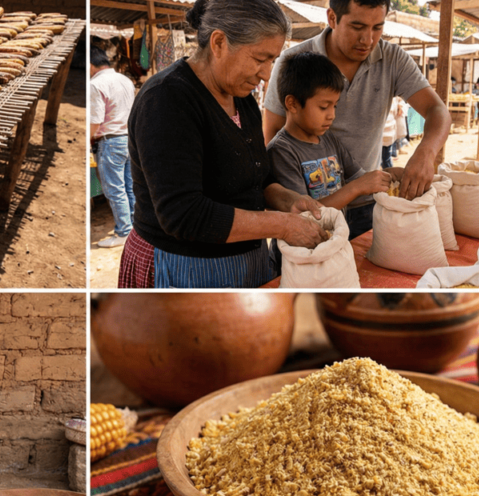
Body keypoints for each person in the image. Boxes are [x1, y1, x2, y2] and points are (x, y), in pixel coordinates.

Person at [118, 0, 326, 288]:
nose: (266, 74)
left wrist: (288, 200)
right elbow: (184, 214)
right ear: (218, 43)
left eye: (272, 61)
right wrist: (282, 225)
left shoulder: (242, 99)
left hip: (246, 261)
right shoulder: (167, 99)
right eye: (260, 59)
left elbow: (256, 176)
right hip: (184, 267)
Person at [263, 0, 451, 238]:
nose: (368, 40)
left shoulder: (393, 58)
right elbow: (273, 137)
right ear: (332, 18)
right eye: (357, 27)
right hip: (309, 223)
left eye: (377, 27)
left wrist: (425, 153)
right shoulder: (293, 62)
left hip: (368, 205)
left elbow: (437, 110)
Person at [267, 52, 398, 210]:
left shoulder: (328, 139)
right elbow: (305, 212)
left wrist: (390, 175)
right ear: (292, 104)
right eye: (324, 107)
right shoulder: (282, 151)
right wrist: (355, 188)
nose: (332, 115)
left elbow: (361, 178)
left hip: (339, 227)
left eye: (334, 106)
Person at [90, 45, 136, 249]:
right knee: (129, 187)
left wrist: (88, 140)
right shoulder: (125, 80)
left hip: (110, 141)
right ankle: (135, 229)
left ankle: (124, 232)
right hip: (129, 139)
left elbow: (95, 120)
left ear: (90, 65)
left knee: (114, 189)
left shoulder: (96, 84)